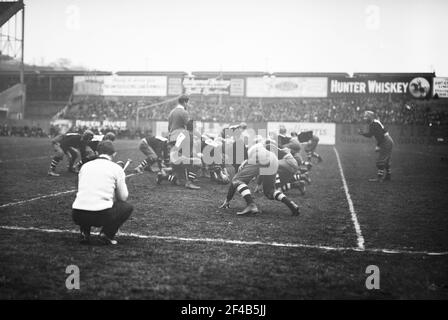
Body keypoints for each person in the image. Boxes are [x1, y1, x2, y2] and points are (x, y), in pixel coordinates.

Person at [72, 140, 133, 245]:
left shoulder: (85, 167)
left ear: (96, 152)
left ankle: (84, 233)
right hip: (100, 215)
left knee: (86, 197)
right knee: (127, 207)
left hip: (77, 214)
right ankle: (106, 234)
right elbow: (123, 198)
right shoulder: (116, 169)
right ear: (114, 154)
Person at [220, 138, 300, 216]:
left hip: (263, 156)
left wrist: (227, 200)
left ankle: (251, 204)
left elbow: (236, 181)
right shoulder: (255, 148)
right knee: (269, 191)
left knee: (237, 180)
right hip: (274, 159)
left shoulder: (250, 153)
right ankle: (290, 204)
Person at [167, 95, 200, 189]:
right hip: (181, 137)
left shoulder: (172, 112)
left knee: (178, 161)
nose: (188, 105)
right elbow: (190, 126)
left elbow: (169, 127)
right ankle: (189, 181)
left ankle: (166, 175)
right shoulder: (183, 112)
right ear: (185, 102)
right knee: (190, 159)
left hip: (172, 138)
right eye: (188, 103)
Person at [359, 110, 394, 181]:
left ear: (370, 117)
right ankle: (388, 176)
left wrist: (378, 145)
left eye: (366, 117)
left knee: (380, 161)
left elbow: (380, 136)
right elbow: (370, 135)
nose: (365, 119)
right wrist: (362, 133)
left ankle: (379, 177)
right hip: (387, 140)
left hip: (385, 141)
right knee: (386, 160)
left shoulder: (374, 124)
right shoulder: (374, 123)